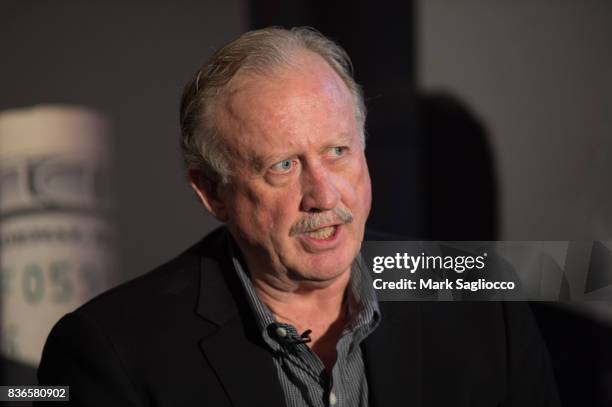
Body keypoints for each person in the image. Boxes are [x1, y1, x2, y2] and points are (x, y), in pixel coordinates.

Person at [37, 27, 560, 406]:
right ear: (212, 193)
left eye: (338, 151)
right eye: (282, 166)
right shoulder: (111, 351)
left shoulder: (481, 298)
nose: (324, 194)